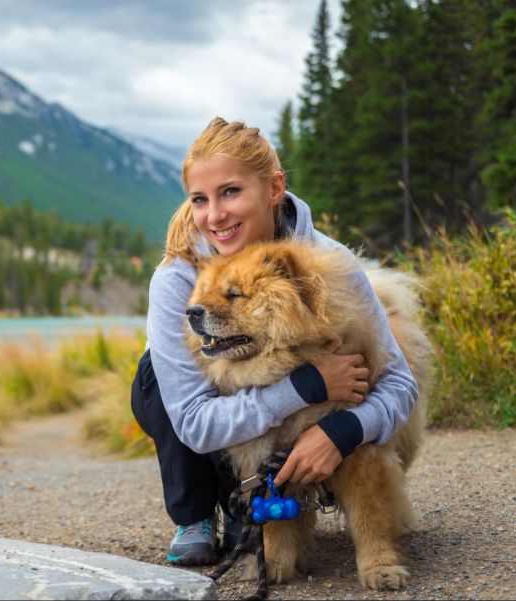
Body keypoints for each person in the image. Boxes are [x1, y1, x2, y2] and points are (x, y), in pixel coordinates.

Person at [130, 117, 418, 566]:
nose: (215, 216)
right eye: (200, 200)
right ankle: (198, 512)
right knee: (153, 375)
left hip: (309, 417)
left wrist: (343, 430)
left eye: (231, 192)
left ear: (273, 187)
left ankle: (282, 502)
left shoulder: (332, 261)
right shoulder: (175, 277)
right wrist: (306, 388)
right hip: (217, 427)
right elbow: (193, 421)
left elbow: (400, 384)